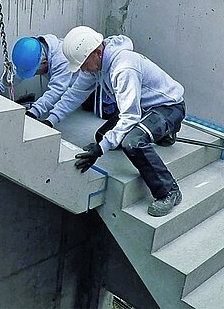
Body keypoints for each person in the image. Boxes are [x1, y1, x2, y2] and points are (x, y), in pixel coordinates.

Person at [51, 26, 186, 217]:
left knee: (132, 143)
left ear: (98, 52)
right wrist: (50, 119)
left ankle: (169, 191)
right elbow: (75, 94)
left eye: (82, 64)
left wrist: (100, 150)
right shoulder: (96, 64)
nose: (82, 69)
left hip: (168, 107)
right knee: (102, 136)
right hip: (143, 107)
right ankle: (163, 133)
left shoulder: (124, 67)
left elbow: (130, 116)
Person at [0, 35, 76, 121]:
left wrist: (34, 112)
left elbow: (57, 90)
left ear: (44, 63)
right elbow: (17, 74)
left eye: (36, 72)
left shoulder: (62, 61)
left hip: (86, 87)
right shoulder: (35, 49)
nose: (36, 74)